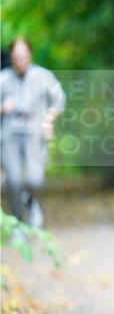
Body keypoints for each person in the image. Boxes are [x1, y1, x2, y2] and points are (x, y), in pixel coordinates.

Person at [1, 36, 65, 228]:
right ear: (11, 57)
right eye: (15, 57)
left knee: (34, 179)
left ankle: (31, 202)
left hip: (34, 134)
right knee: (12, 181)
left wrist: (48, 119)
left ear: (29, 54)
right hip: (9, 135)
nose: (19, 61)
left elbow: (59, 99)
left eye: (23, 56)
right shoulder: (3, 78)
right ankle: (18, 220)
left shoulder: (43, 76)